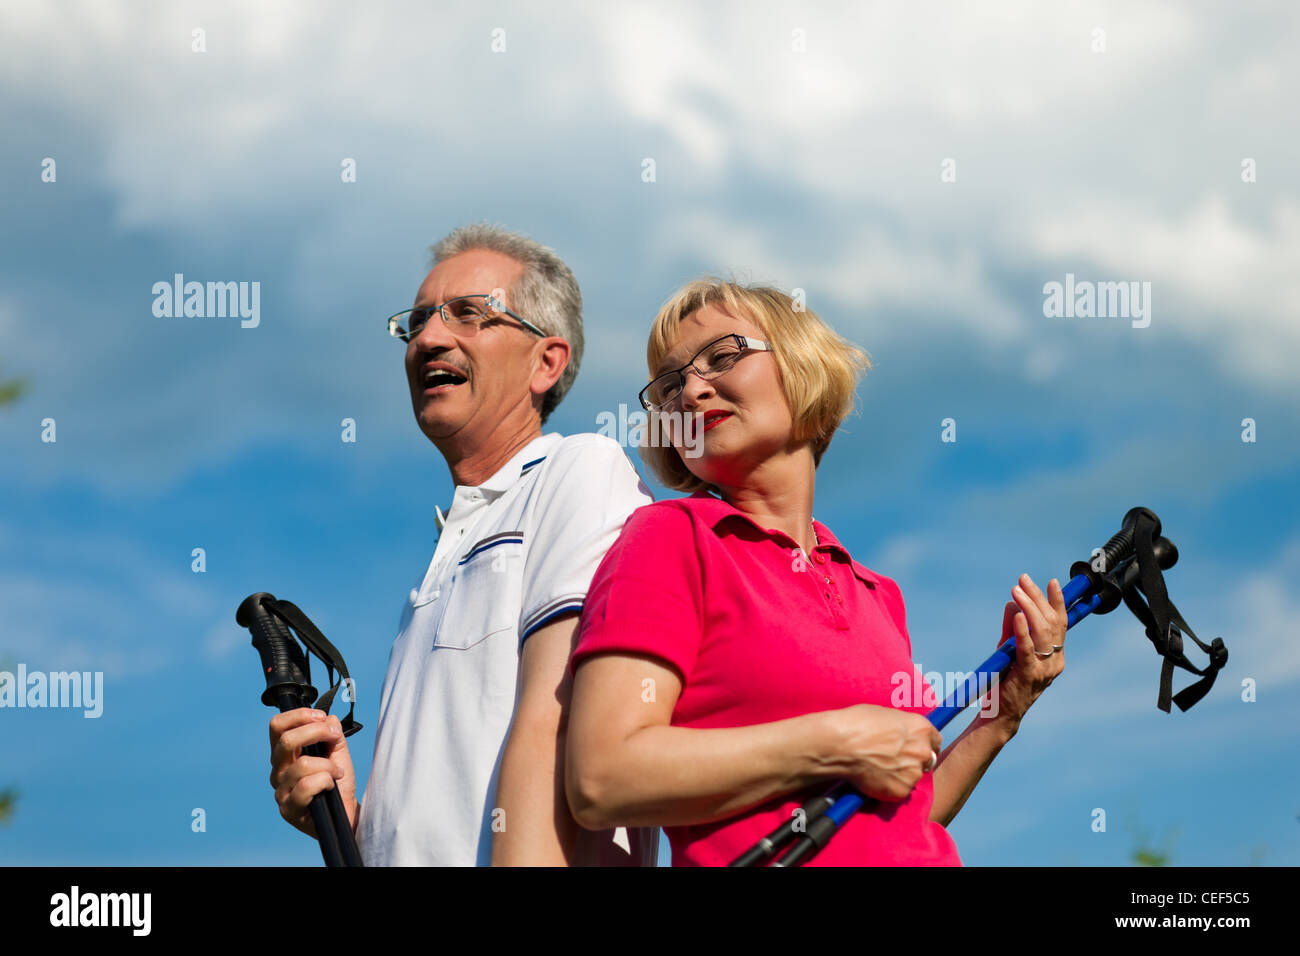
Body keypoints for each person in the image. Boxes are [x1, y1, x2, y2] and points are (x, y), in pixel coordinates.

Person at [565, 278, 1068, 865]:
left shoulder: (879, 594)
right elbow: (602, 777)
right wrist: (834, 744)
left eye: (723, 357)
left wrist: (1002, 715)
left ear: (802, 365)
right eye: (670, 384)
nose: (692, 391)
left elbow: (895, 816)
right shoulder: (670, 539)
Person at [267, 223, 656, 865]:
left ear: (546, 362)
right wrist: (346, 814)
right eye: (417, 322)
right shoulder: (445, 554)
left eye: (469, 315)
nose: (428, 338)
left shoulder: (580, 471)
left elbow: (560, 725)